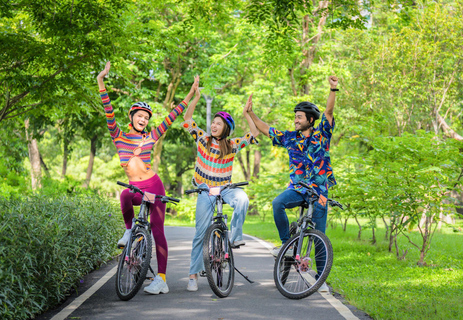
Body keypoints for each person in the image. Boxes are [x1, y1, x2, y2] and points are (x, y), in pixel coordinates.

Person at [97, 61, 199, 295]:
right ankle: (129, 228)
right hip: (136, 188)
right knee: (124, 194)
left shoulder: (151, 137)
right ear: (131, 116)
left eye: (146, 117)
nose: (143, 119)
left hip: (154, 185)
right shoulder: (119, 136)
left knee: (158, 230)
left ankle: (161, 278)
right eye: (139, 115)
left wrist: (190, 94)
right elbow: (108, 110)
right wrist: (101, 80)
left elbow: (172, 117)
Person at [245, 76, 339, 291]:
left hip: (319, 192)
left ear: (310, 119)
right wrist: (251, 113)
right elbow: (266, 129)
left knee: (319, 237)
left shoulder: (322, 135)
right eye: (295, 117)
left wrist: (333, 89)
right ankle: (287, 245)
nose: (296, 120)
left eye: (299, 117)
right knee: (278, 203)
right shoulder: (290, 138)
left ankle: (319, 279)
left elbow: (329, 113)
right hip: (297, 189)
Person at [182, 83, 259, 292]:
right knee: (200, 233)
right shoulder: (203, 140)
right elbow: (187, 121)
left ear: (226, 128)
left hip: (225, 188)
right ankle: (193, 275)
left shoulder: (232, 145)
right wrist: (195, 98)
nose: (214, 125)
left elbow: (253, 134)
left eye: (218, 123)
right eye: (213, 122)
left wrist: (247, 113)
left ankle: (235, 236)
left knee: (242, 199)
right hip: (205, 190)